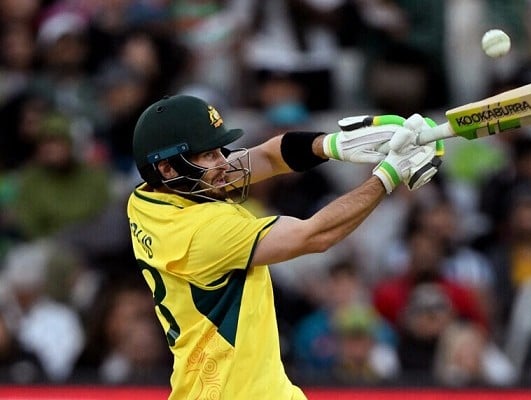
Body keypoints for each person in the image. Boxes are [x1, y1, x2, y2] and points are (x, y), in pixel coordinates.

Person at [126, 94, 441, 399]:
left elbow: (266, 157)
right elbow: (315, 235)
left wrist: (334, 146)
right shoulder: (202, 233)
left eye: (220, 150)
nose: (225, 162)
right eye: (208, 154)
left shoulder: (148, 199)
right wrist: (388, 174)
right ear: (167, 168)